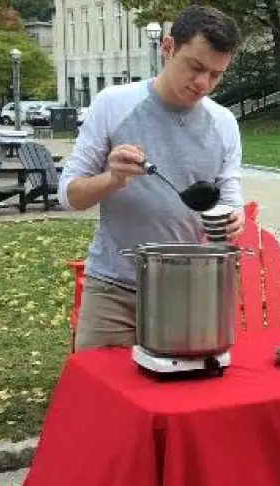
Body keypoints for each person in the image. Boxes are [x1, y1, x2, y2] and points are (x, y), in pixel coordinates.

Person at [58, 5, 245, 351]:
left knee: (183, 395)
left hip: (189, 288)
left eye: (216, 75)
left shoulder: (223, 124)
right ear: (168, 48)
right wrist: (112, 179)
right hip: (114, 289)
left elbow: (230, 194)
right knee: (101, 394)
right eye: (196, 67)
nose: (204, 83)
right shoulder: (113, 104)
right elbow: (68, 196)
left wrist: (235, 216)